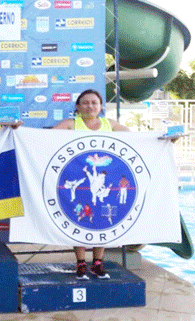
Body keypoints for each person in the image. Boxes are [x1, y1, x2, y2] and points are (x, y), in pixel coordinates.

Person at [53, 88, 130, 280]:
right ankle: (80, 262)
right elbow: (42, 139)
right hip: (80, 180)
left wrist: (165, 139)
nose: (90, 106)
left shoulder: (109, 124)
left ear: (101, 106)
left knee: (101, 220)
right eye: (85, 102)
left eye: (94, 102)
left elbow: (139, 139)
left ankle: (97, 262)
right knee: (78, 218)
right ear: (78, 107)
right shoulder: (71, 124)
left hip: (104, 182)